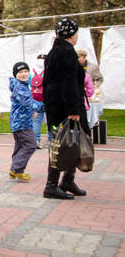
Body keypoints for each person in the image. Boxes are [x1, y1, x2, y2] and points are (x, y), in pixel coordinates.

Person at [43, 18, 90, 199]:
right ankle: (52, 185)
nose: (77, 36)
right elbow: (68, 83)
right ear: (71, 34)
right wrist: (73, 110)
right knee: (63, 144)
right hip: (65, 110)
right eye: (76, 33)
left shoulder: (55, 51)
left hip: (57, 108)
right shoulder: (66, 52)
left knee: (70, 143)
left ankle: (67, 180)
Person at [8, 62, 43, 182]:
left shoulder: (23, 85)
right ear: (15, 74)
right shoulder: (20, 88)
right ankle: (16, 168)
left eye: (25, 71)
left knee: (20, 146)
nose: (23, 74)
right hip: (21, 123)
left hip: (21, 122)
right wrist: (45, 106)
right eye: (20, 72)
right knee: (31, 145)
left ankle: (16, 170)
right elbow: (28, 103)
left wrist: (32, 111)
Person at [77, 49, 104, 128]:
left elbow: (100, 78)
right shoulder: (73, 66)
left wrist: (96, 86)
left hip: (89, 94)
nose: (77, 59)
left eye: (79, 57)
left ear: (84, 57)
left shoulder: (93, 67)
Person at [31, 54, 50, 149]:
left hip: (35, 99)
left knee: (36, 121)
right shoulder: (49, 71)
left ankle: (36, 140)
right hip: (48, 99)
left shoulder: (32, 72)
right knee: (51, 121)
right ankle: (51, 140)